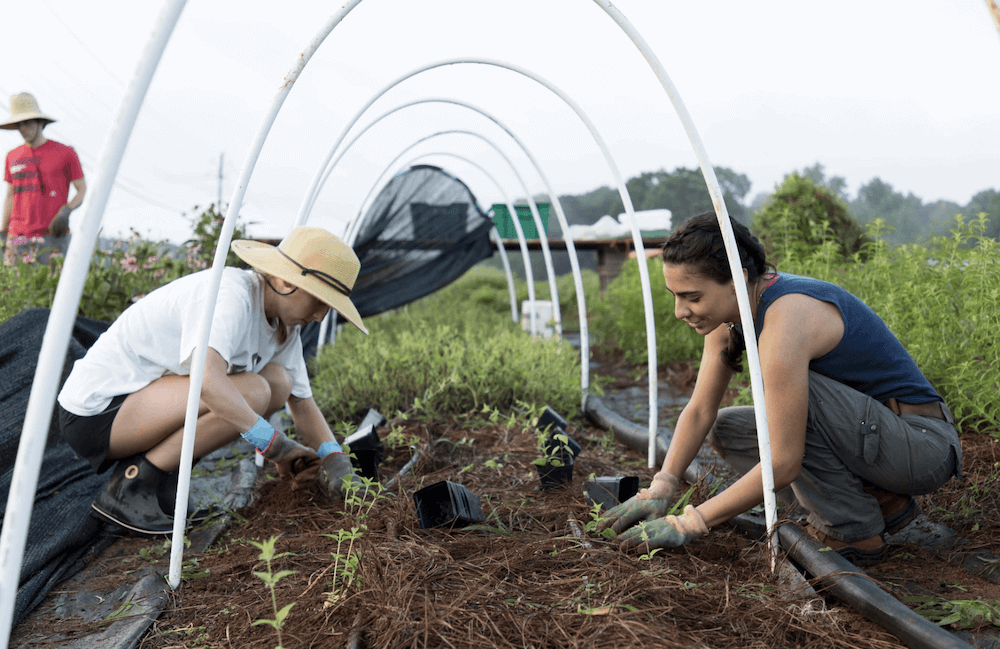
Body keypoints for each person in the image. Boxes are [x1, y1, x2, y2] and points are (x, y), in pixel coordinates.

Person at [598, 212, 962, 564]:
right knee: (728, 429)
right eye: (675, 296)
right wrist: (663, 485)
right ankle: (874, 498)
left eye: (693, 297)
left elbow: (783, 463)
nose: (681, 311)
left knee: (789, 409)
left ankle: (854, 530)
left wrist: (691, 522)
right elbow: (699, 411)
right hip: (873, 438)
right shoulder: (732, 319)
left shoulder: (786, 318)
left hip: (921, 447)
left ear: (739, 281)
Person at [57, 226, 370, 536]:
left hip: (145, 407)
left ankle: (164, 480)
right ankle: (131, 486)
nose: (320, 317)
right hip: (98, 413)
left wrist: (337, 464)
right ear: (284, 280)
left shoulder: (284, 329)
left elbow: (302, 403)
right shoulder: (231, 295)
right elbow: (208, 382)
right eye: (319, 301)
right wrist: (274, 446)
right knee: (254, 391)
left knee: (279, 382)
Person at [2, 92, 86, 264]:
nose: (23, 129)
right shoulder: (12, 156)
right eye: (19, 124)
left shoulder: (65, 152)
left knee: (51, 286)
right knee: (15, 285)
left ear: (40, 122)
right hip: (18, 236)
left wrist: (66, 210)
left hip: (52, 236)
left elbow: (82, 189)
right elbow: (10, 195)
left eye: (27, 123)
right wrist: (3, 229)